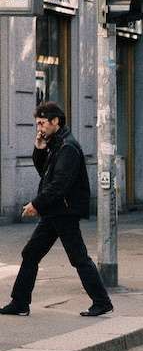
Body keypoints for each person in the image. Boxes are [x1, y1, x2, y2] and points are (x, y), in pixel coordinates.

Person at [1, 102, 113, 319]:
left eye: (42, 123)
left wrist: (36, 204)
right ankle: (20, 302)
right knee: (31, 253)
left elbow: (59, 184)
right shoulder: (57, 143)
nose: (39, 128)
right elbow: (45, 172)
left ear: (55, 122)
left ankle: (101, 301)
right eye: (37, 124)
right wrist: (39, 148)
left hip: (64, 211)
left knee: (78, 257)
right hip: (56, 211)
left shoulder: (68, 147)